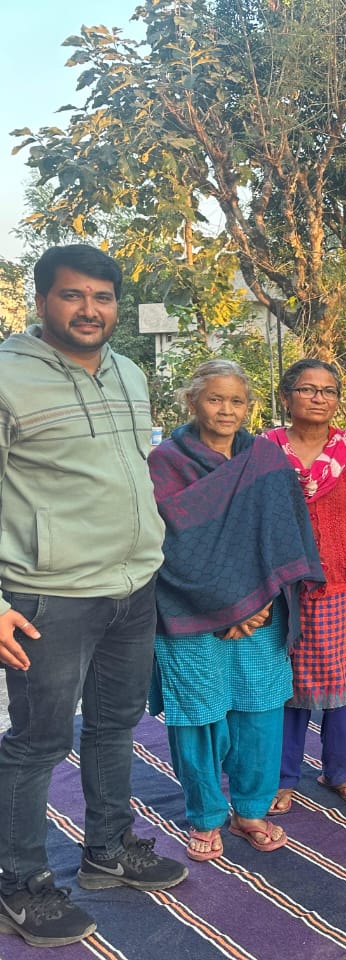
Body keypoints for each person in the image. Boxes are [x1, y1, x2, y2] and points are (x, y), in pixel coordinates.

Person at [0, 245, 187, 948]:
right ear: (41, 300)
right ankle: (20, 882)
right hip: (49, 596)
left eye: (102, 297)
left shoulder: (128, 371)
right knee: (37, 743)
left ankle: (108, 850)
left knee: (115, 725)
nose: (89, 309)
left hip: (133, 586)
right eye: (73, 295)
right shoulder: (7, 377)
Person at [149, 360, 325, 862]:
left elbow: (285, 534)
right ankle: (205, 815)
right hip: (188, 610)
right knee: (198, 716)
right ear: (192, 402)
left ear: (249, 407)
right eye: (215, 399)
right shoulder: (164, 462)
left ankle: (250, 810)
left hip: (262, 609)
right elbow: (164, 546)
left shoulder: (265, 459)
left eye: (237, 401)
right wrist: (225, 608)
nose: (226, 410)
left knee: (259, 711)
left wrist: (260, 602)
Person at [264, 360, 346, 813]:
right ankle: (283, 776)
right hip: (284, 591)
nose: (319, 398)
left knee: (345, 681)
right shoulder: (263, 451)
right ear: (286, 397)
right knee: (288, 685)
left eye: (328, 391)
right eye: (308, 389)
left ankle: (339, 769)